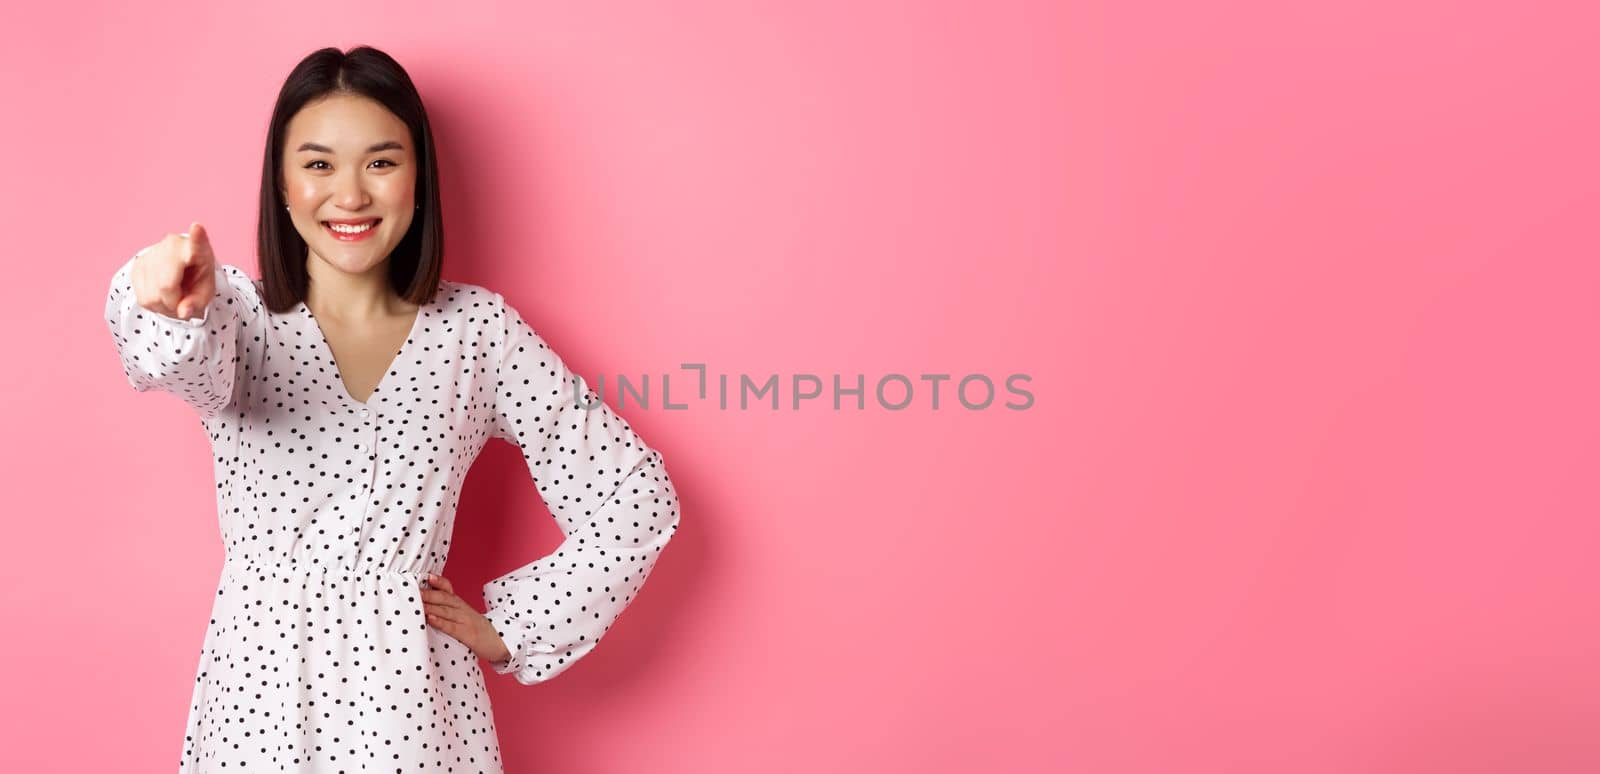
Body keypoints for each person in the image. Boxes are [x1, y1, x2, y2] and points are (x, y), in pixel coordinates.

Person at [102, 45, 682, 772]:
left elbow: (633, 497)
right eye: (318, 164)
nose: (350, 195)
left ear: (419, 181)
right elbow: (162, 351)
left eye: (380, 162)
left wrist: (517, 629)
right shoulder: (235, 316)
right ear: (281, 184)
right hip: (259, 696)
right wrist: (155, 295)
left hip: (415, 701)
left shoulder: (479, 333)